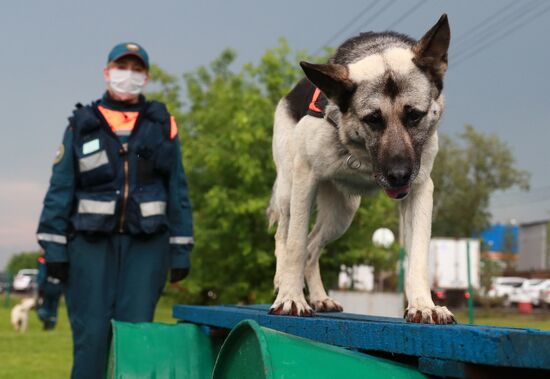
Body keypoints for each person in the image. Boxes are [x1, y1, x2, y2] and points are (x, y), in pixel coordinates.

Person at [36, 42, 194, 378]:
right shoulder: (81, 124)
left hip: (147, 248)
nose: (129, 75)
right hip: (89, 249)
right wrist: (54, 248)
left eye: (137, 69)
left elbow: (177, 188)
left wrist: (181, 249)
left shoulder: (162, 124)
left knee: (135, 340)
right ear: (107, 72)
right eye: (122, 67)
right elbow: (61, 188)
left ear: (146, 77)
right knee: (91, 338)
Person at [36, 252, 63, 330]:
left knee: (44, 306)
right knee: (54, 308)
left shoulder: (43, 259)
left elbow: (42, 274)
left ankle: (46, 321)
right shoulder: (60, 257)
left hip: (47, 286)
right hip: (58, 286)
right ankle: (51, 325)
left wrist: (40, 287)